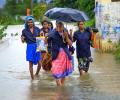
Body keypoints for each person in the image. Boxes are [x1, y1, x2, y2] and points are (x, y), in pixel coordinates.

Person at [48, 21, 73, 86]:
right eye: (57, 26)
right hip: (55, 55)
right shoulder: (52, 33)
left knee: (63, 72)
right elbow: (46, 42)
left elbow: (70, 44)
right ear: (56, 26)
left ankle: (61, 88)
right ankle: (60, 86)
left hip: (65, 55)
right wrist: (45, 37)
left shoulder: (66, 32)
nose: (59, 28)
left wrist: (67, 37)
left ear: (63, 26)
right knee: (56, 72)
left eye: (60, 26)